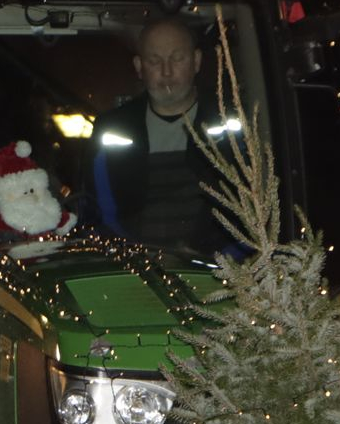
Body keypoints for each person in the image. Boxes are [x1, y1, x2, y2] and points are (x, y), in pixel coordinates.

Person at [85, 15, 234, 255]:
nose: (167, 72)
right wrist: (134, 256)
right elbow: (98, 210)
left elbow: (251, 208)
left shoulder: (231, 123)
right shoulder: (112, 128)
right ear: (139, 67)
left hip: (217, 267)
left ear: (196, 61)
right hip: (135, 264)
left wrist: (222, 261)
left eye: (177, 58)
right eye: (155, 61)